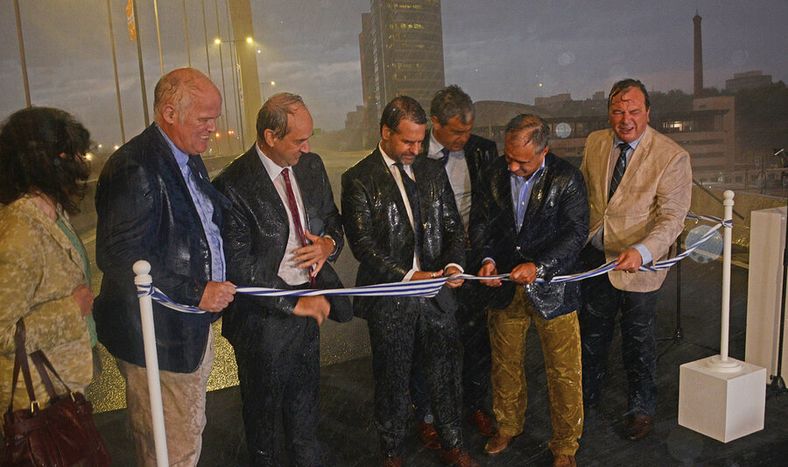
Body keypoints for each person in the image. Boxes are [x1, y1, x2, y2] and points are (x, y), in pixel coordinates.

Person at [94, 68, 236, 466]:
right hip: (159, 339)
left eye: (214, 118)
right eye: (204, 119)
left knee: (181, 435)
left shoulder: (185, 156)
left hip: (185, 331)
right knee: (171, 449)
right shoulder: (136, 167)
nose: (213, 128)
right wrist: (197, 291)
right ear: (169, 112)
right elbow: (119, 257)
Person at [213, 93, 352, 466]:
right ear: (270, 136)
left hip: (308, 306)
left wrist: (328, 244)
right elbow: (239, 266)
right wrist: (292, 303)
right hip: (261, 321)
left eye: (309, 138)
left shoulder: (311, 166)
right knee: (265, 422)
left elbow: (333, 221)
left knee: (304, 410)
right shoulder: (233, 185)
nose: (306, 148)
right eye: (298, 141)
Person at [342, 96, 477, 467]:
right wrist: (408, 276)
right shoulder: (358, 178)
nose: (416, 149)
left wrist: (453, 265)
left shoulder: (432, 172)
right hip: (392, 298)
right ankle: (392, 452)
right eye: (407, 142)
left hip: (437, 295)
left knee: (446, 375)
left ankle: (454, 443)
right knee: (391, 379)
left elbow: (452, 227)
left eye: (420, 142)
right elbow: (363, 245)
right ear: (385, 133)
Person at [579, 79, 692, 440]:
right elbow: (585, 196)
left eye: (633, 111)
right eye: (617, 111)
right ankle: (585, 399)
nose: (625, 119)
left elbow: (672, 218)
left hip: (640, 267)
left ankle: (641, 408)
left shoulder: (672, 155)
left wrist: (642, 251)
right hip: (596, 261)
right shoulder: (595, 142)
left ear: (648, 112)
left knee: (638, 341)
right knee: (591, 336)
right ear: (609, 113)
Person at [476, 114, 588, 467]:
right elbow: (480, 222)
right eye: (508, 157)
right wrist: (488, 259)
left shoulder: (568, 178)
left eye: (521, 162)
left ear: (544, 151)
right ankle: (508, 427)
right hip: (504, 289)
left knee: (564, 372)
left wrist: (540, 268)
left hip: (554, 293)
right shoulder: (493, 172)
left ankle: (566, 447)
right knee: (505, 366)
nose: (511, 166)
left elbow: (575, 234)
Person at [409, 85, 499, 447]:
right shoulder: (413, 156)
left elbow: (490, 208)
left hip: (472, 264)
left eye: (468, 130)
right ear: (434, 124)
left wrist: (478, 247)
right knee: (428, 345)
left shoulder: (483, 151)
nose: (465, 138)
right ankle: (427, 414)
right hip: (430, 267)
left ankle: (477, 405)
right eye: (456, 131)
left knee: (476, 342)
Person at [0, 107, 94, 412]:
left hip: (64, 384)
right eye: (70, 155)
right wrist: (71, 309)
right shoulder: (20, 232)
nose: (80, 163)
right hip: (38, 399)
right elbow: (3, 333)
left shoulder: (51, 214)